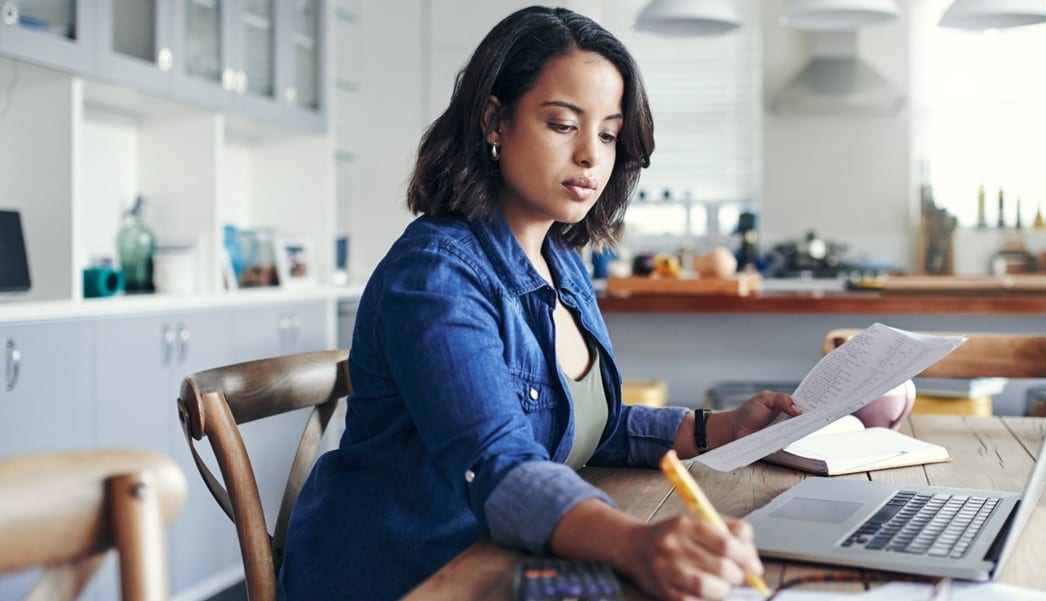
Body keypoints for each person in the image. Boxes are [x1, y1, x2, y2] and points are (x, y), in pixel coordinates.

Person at [277, 6, 799, 600]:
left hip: (500, 562)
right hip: (408, 577)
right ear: (496, 121)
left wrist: (722, 428)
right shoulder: (435, 277)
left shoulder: (564, 264)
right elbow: (499, 461)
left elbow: (584, 428)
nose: (591, 155)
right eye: (561, 124)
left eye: (607, 133)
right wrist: (635, 543)